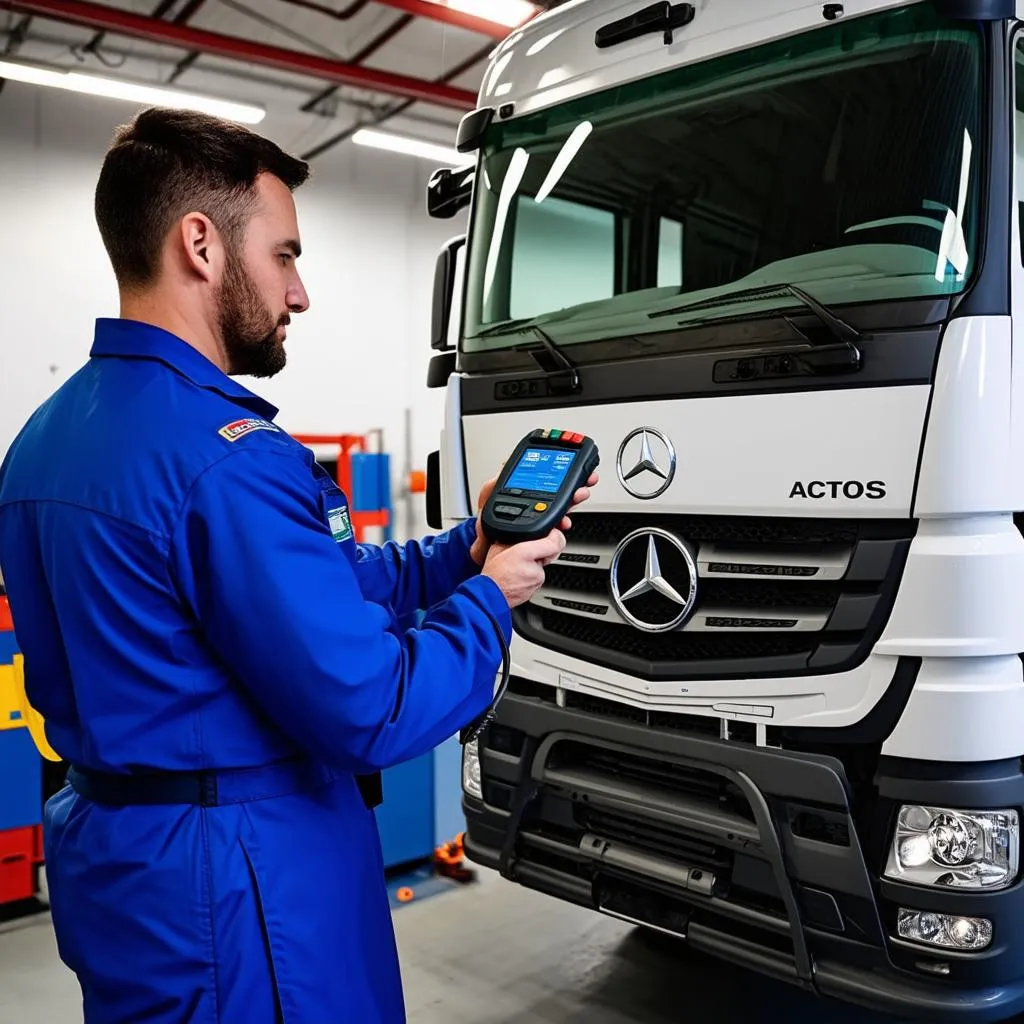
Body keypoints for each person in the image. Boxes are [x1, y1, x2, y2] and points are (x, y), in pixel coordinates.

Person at [0, 107, 596, 1023]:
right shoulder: (229, 457)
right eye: (284, 255)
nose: (301, 291)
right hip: (244, 884)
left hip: (121, 865)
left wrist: (464, 552)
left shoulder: (42, 443)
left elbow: (321, 592)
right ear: (200, 244)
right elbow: (372, 708)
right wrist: (492, 599)